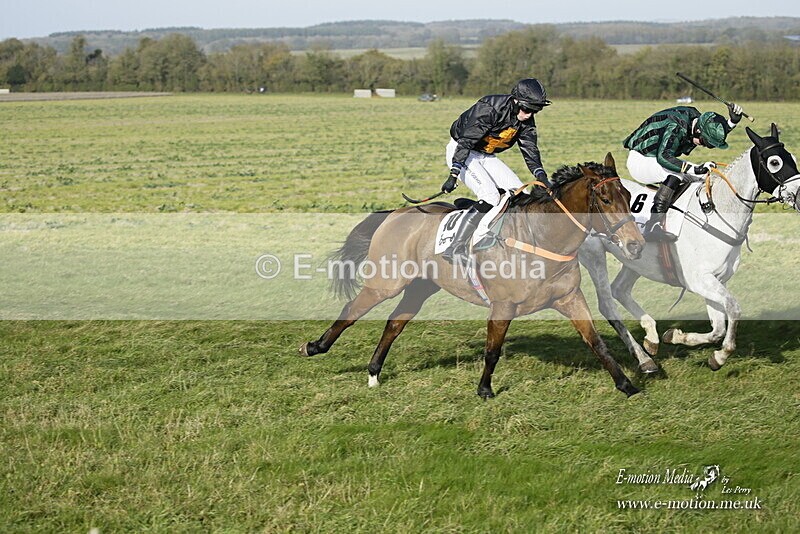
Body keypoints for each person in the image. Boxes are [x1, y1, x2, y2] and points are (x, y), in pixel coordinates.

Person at [441, 78, 551, 264]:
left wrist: (541, 177)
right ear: (515, 101)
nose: (529, 114)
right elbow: (466, 142)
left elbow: (530, 150)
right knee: (491, 196)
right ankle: (456, 247)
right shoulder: (489, 108)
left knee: (521, 194)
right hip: (462, 150)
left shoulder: (526, 120)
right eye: (526, 109)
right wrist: (454, 172)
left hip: (486, 155)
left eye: (535, 111)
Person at [624, 103, 743, 241]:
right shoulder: (675, 127)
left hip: (655, 157)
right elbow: (664, 157)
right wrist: (694, 168)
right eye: (705, 142)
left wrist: (732, 122)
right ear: (698, 131)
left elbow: (712, 131)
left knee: (704, 176)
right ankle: (653, 225)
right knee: (676, 173)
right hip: (641, 159)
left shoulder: (698, 121)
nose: (704, 145)